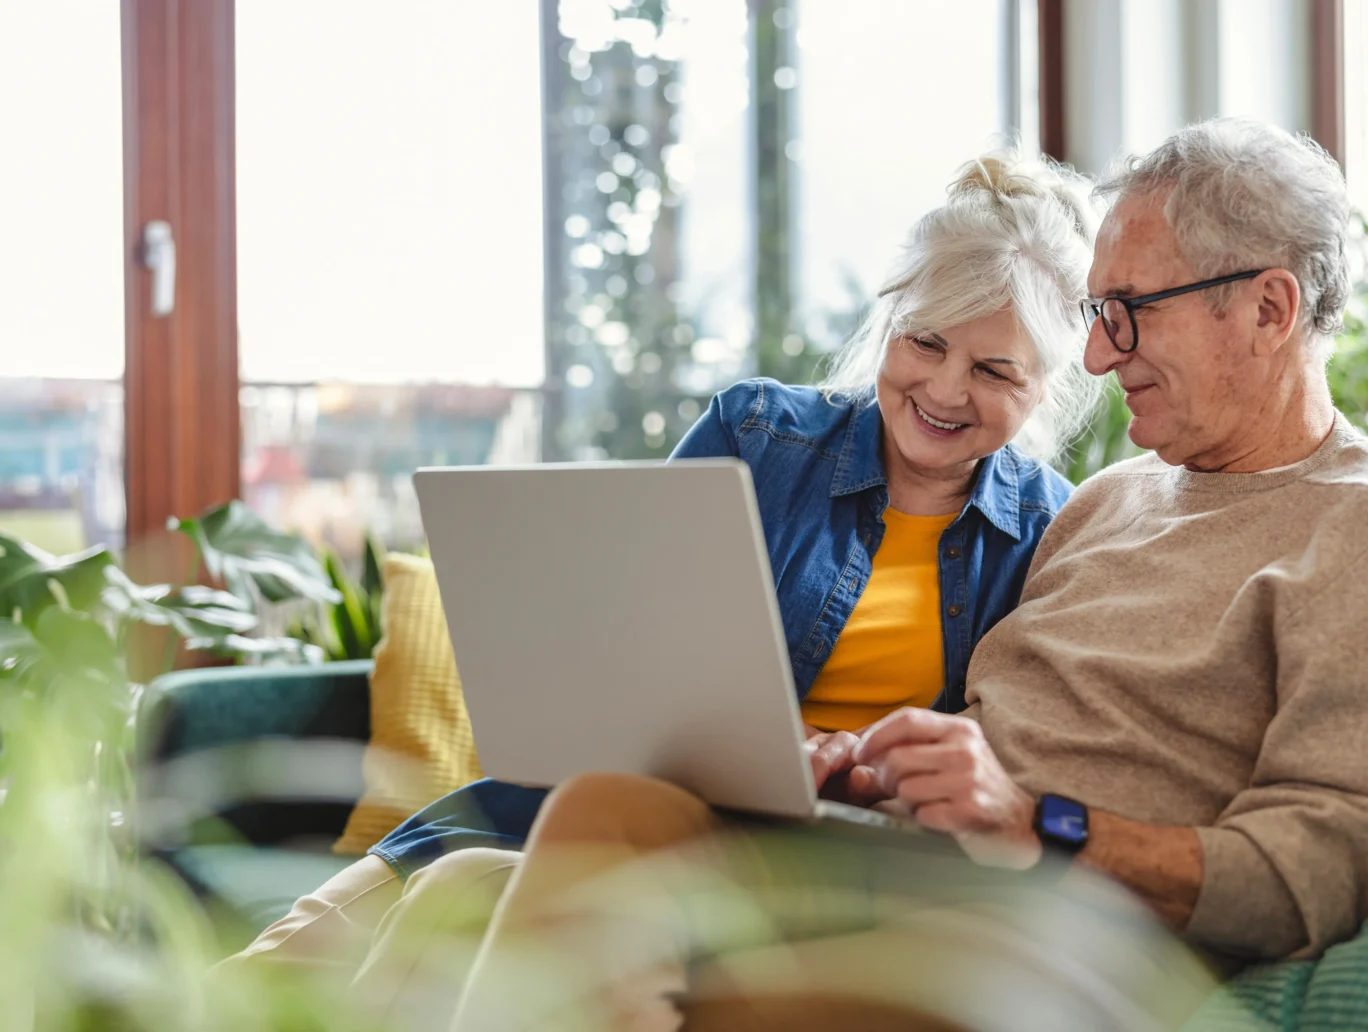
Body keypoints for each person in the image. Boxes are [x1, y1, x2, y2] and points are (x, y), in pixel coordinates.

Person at [413, 118, 1368, 1031]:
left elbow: (1320, 870)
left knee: (582, 959)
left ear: (1270, 309)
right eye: (1097, 314)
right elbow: (993, 726)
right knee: (602, 812)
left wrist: (1040, 824)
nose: (1097, 361)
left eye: (1127, 312)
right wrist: (879, 764)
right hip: (904, 864)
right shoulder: (1112, 501)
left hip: (1069, 939)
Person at [217, 151, 1105, 1011]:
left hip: (798, 857)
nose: (945, 388)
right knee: (278, 966)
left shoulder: (1052, 533)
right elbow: (619, 652)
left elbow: (999, 762)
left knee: (454, 898)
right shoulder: (759, 434)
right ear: (890, 320)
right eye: (926, 342)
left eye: (994, 370)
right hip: (600, 803)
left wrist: (864, 767)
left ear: (1047, 386)